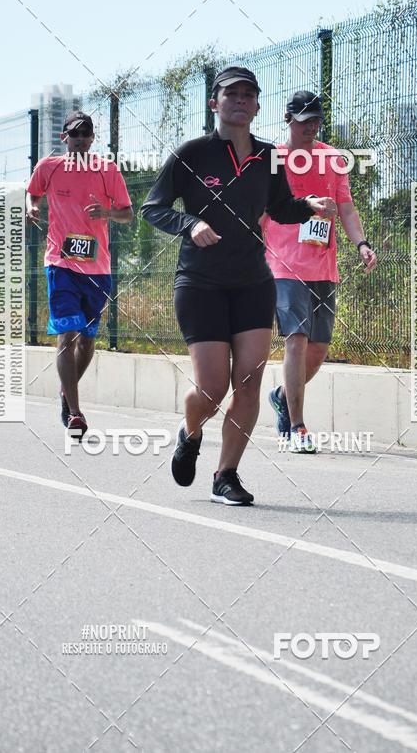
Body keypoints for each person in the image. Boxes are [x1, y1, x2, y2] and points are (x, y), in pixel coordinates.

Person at [141, 67, 335, 505]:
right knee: (210, 388)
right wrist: (189, 223)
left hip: (253, 282)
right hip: (200, 283)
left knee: (248, 383)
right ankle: (190, 434)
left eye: (249, 94)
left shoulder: (268, 156)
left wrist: (307, 206)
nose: (241, 100)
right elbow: (152, 208)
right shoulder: (192, 152)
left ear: (258, 105)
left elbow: (280, 207)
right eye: (232, 93)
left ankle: (225, 475)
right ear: (215, 102)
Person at [264, 91, 377, 452]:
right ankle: (297, 426)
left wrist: (361, 243)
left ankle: (282, 395)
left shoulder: (332, 158)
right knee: (295, 338)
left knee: (318, 348)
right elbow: (261, 211)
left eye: (316, 120)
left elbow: (346, 206)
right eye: (304, 119)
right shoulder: (274, 160)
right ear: (288, 119)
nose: (311, 126)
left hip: (323, 265)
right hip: (283, 262)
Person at [26, 111, 133, 438]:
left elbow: (127, 214)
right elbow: (34, 192)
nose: (81, 140)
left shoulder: (107, 170)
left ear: (92, 138)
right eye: (75, 135)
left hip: (97, 269)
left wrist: (106, 213)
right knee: (66, 335)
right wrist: (32, 206)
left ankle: (65, 390)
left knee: (87, 341)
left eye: (86, 135)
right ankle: (74, 411)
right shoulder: (48, 167)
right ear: (64, 138)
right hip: (60, 264)